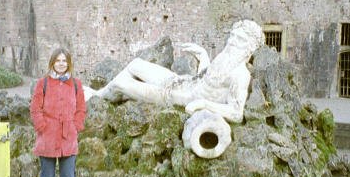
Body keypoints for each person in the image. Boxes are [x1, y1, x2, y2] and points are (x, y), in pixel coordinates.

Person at [86, 20, 264, 123]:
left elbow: (236, 113)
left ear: (249, 49)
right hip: (181, 81)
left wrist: (204, 104)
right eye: (232, 36)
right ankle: (106, 95)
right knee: (136, 64)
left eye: (239, 39)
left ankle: (96, 97)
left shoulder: (240, 75)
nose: (232, 41)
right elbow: (207, 79)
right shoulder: (225, 59)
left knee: (120, 84)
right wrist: (203, 56)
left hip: (173, 97)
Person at [30, 48, 87, 177]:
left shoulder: (76, 84)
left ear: (68, 63)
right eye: (58, 60)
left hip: (68, 138)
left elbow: (81, 109)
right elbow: (35, 109)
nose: (61, 63)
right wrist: (43, 127)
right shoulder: (43, 83)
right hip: (48, 137)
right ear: (52, 62)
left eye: (64, 61)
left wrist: (76, 126)